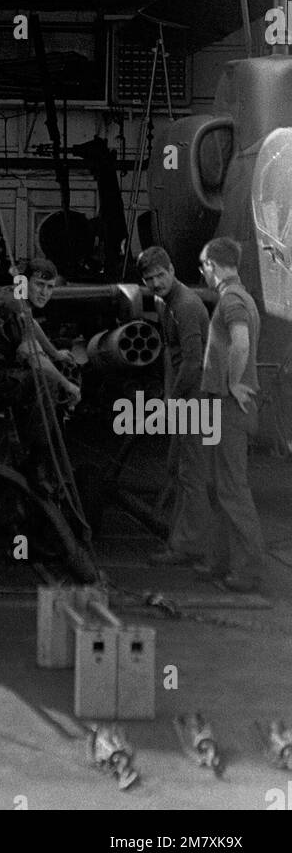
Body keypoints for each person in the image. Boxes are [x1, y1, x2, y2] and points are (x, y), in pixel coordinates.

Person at [198, 236, 265, 592]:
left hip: (229, 407)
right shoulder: (237, 297)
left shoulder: (233, 299)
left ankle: (249, 571)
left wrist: (234, 383)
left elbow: (240, 342)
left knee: (233, 490)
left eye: (203, 266)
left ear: (211, 264)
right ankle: (222, 561)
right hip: (220, 406)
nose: (203, 273)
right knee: (219, 486)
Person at [138, 245, 210, 567]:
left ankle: (190, 546)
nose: (156, 283)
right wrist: (169, 397)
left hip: (197, 399)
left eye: (160, 275)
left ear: (172, 271)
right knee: (177, 468)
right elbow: (170, 352)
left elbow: (194, 362)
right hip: (182, 397)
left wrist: (174, 400)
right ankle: (184, 537)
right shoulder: (161, 302)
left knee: (191, 473)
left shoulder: (187, 305)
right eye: (149, 278)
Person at [0, 257, 80, 473]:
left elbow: (30, 324)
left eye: (50, 287)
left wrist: (55, 354)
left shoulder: (13, 295)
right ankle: (37, 461)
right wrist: (68, 385)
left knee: (46, 371)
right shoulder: (14, 304)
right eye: (39, 285)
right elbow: (33, 357)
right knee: (45, 381)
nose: (44, 293)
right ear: (25, 281)